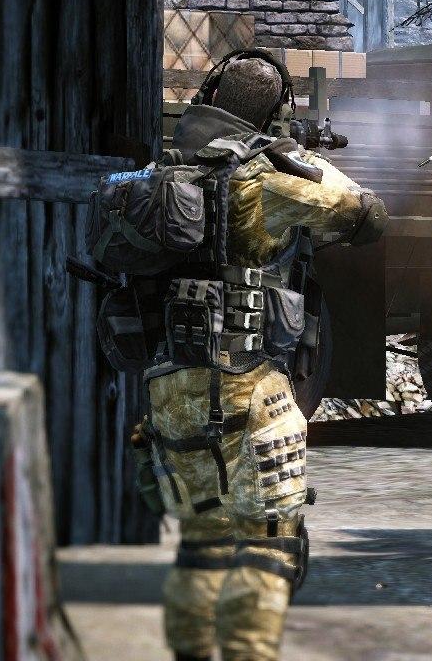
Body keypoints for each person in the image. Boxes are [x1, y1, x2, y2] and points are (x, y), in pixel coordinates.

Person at [136, 50, 386, 661]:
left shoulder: (165, 174)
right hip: (250, 387)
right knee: (269, 543)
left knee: (203, 543)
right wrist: (300, 156)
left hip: (172, 387)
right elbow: (368, 216)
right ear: (275, 114)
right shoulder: (266, 180)